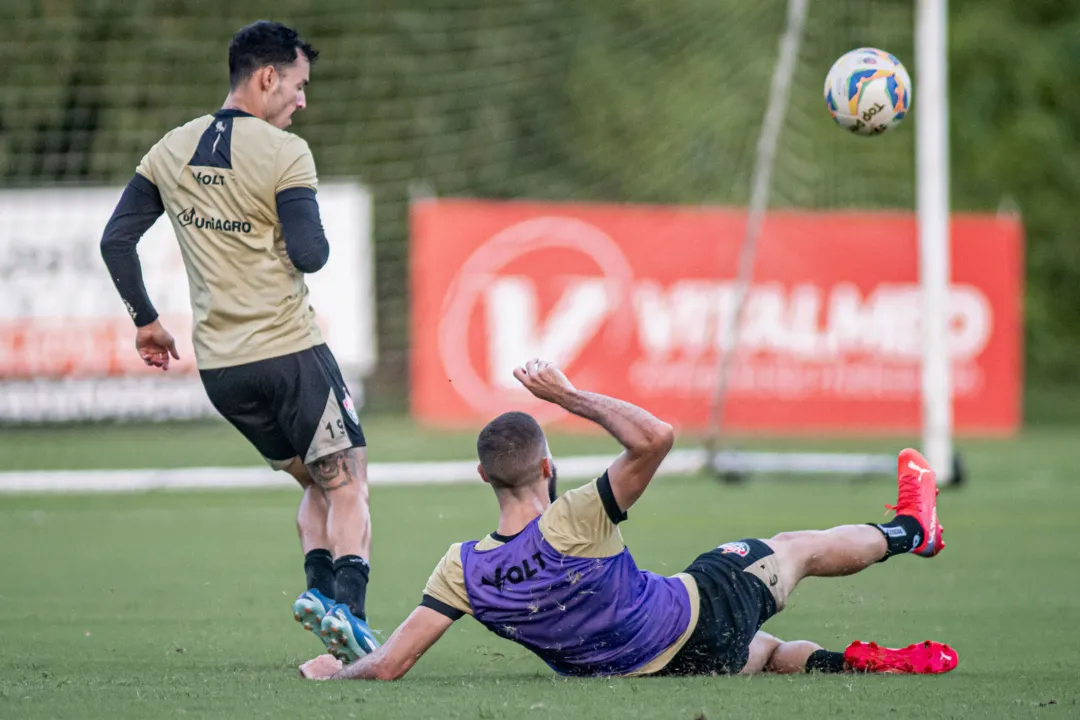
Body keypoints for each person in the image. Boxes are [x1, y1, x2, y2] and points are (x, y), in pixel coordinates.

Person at [299, 358, 957, 681]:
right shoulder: (578, 517)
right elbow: (656, 438)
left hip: (654, 670)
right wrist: (566, 394)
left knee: (768, 654)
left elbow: (388, 664)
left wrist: (337, 674)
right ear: (546, 465)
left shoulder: (462, 570)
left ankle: (856, 666)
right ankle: (912, 529)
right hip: (701, 615)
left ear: (482, 477)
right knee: (793, 548)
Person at [99, 20, 377, 660]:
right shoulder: (287, 154)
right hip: (289, 352)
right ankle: (352, 617)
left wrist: (145, 318)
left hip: (223, 370)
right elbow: (310, 254)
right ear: (267, 76)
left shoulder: (170, 149)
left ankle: (318, 595)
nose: (302, 102)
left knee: (316, 484)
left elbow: (116, 239)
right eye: (299, 86)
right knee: (349, 482)